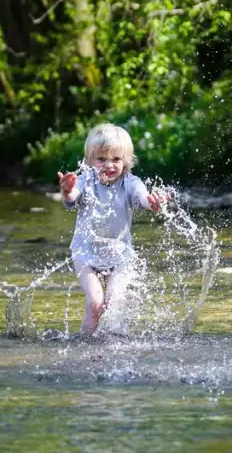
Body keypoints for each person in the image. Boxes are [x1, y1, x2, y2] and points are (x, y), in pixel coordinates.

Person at [57, 123, 170, 337]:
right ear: (90, 160)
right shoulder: (85, 179)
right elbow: (72, 198)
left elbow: (143, 198)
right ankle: (85, 346)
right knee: (96, 304)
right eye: (101, 159)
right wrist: (67, 190)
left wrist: (154, 203)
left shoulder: (130, 182)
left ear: (126, 161)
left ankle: (114, 346)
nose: (108, 165)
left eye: (116, 159)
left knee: (114, 301)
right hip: (85, 253)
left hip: (119, 255)